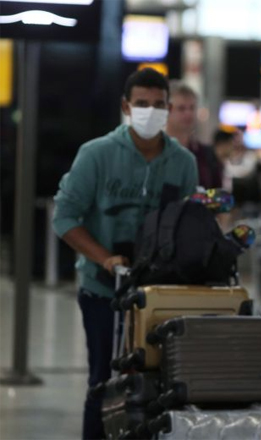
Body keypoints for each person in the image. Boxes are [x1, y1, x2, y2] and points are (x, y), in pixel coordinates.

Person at [52, 68, 198, 440]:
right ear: (126, 106)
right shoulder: (96, 155)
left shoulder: (183, 163)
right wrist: (104, 258)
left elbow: (185, 224)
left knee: (162, 383)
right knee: (104, 380)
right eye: (142, 104)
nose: (151, 111)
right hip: (104, 292)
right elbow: (65, 217)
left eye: (159, 104)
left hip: (160, 296)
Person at [166, 81, 222, 189]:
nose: (188, 114)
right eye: (181, 108)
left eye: (192, 108)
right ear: (167, 110)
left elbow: (216, 194)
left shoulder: (207, 155)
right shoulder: (155, 152)